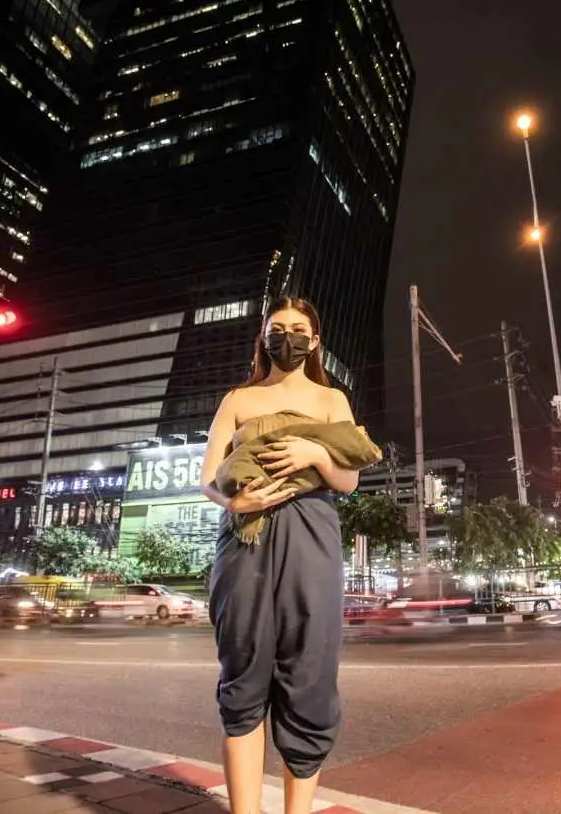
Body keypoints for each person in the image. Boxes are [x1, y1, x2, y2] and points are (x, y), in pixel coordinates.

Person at [201, 297, 369, 814]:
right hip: (245, 539)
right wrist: (236, 502)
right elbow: (208, 478)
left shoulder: (331, 400)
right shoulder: (238, 399)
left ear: (314, 341)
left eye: (298, 329)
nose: (287, 337)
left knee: (310, 676)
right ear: (263, 337)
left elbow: (348, 481)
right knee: (243, 673)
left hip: (311, 536)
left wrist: (315, 453)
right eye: (278, 329)